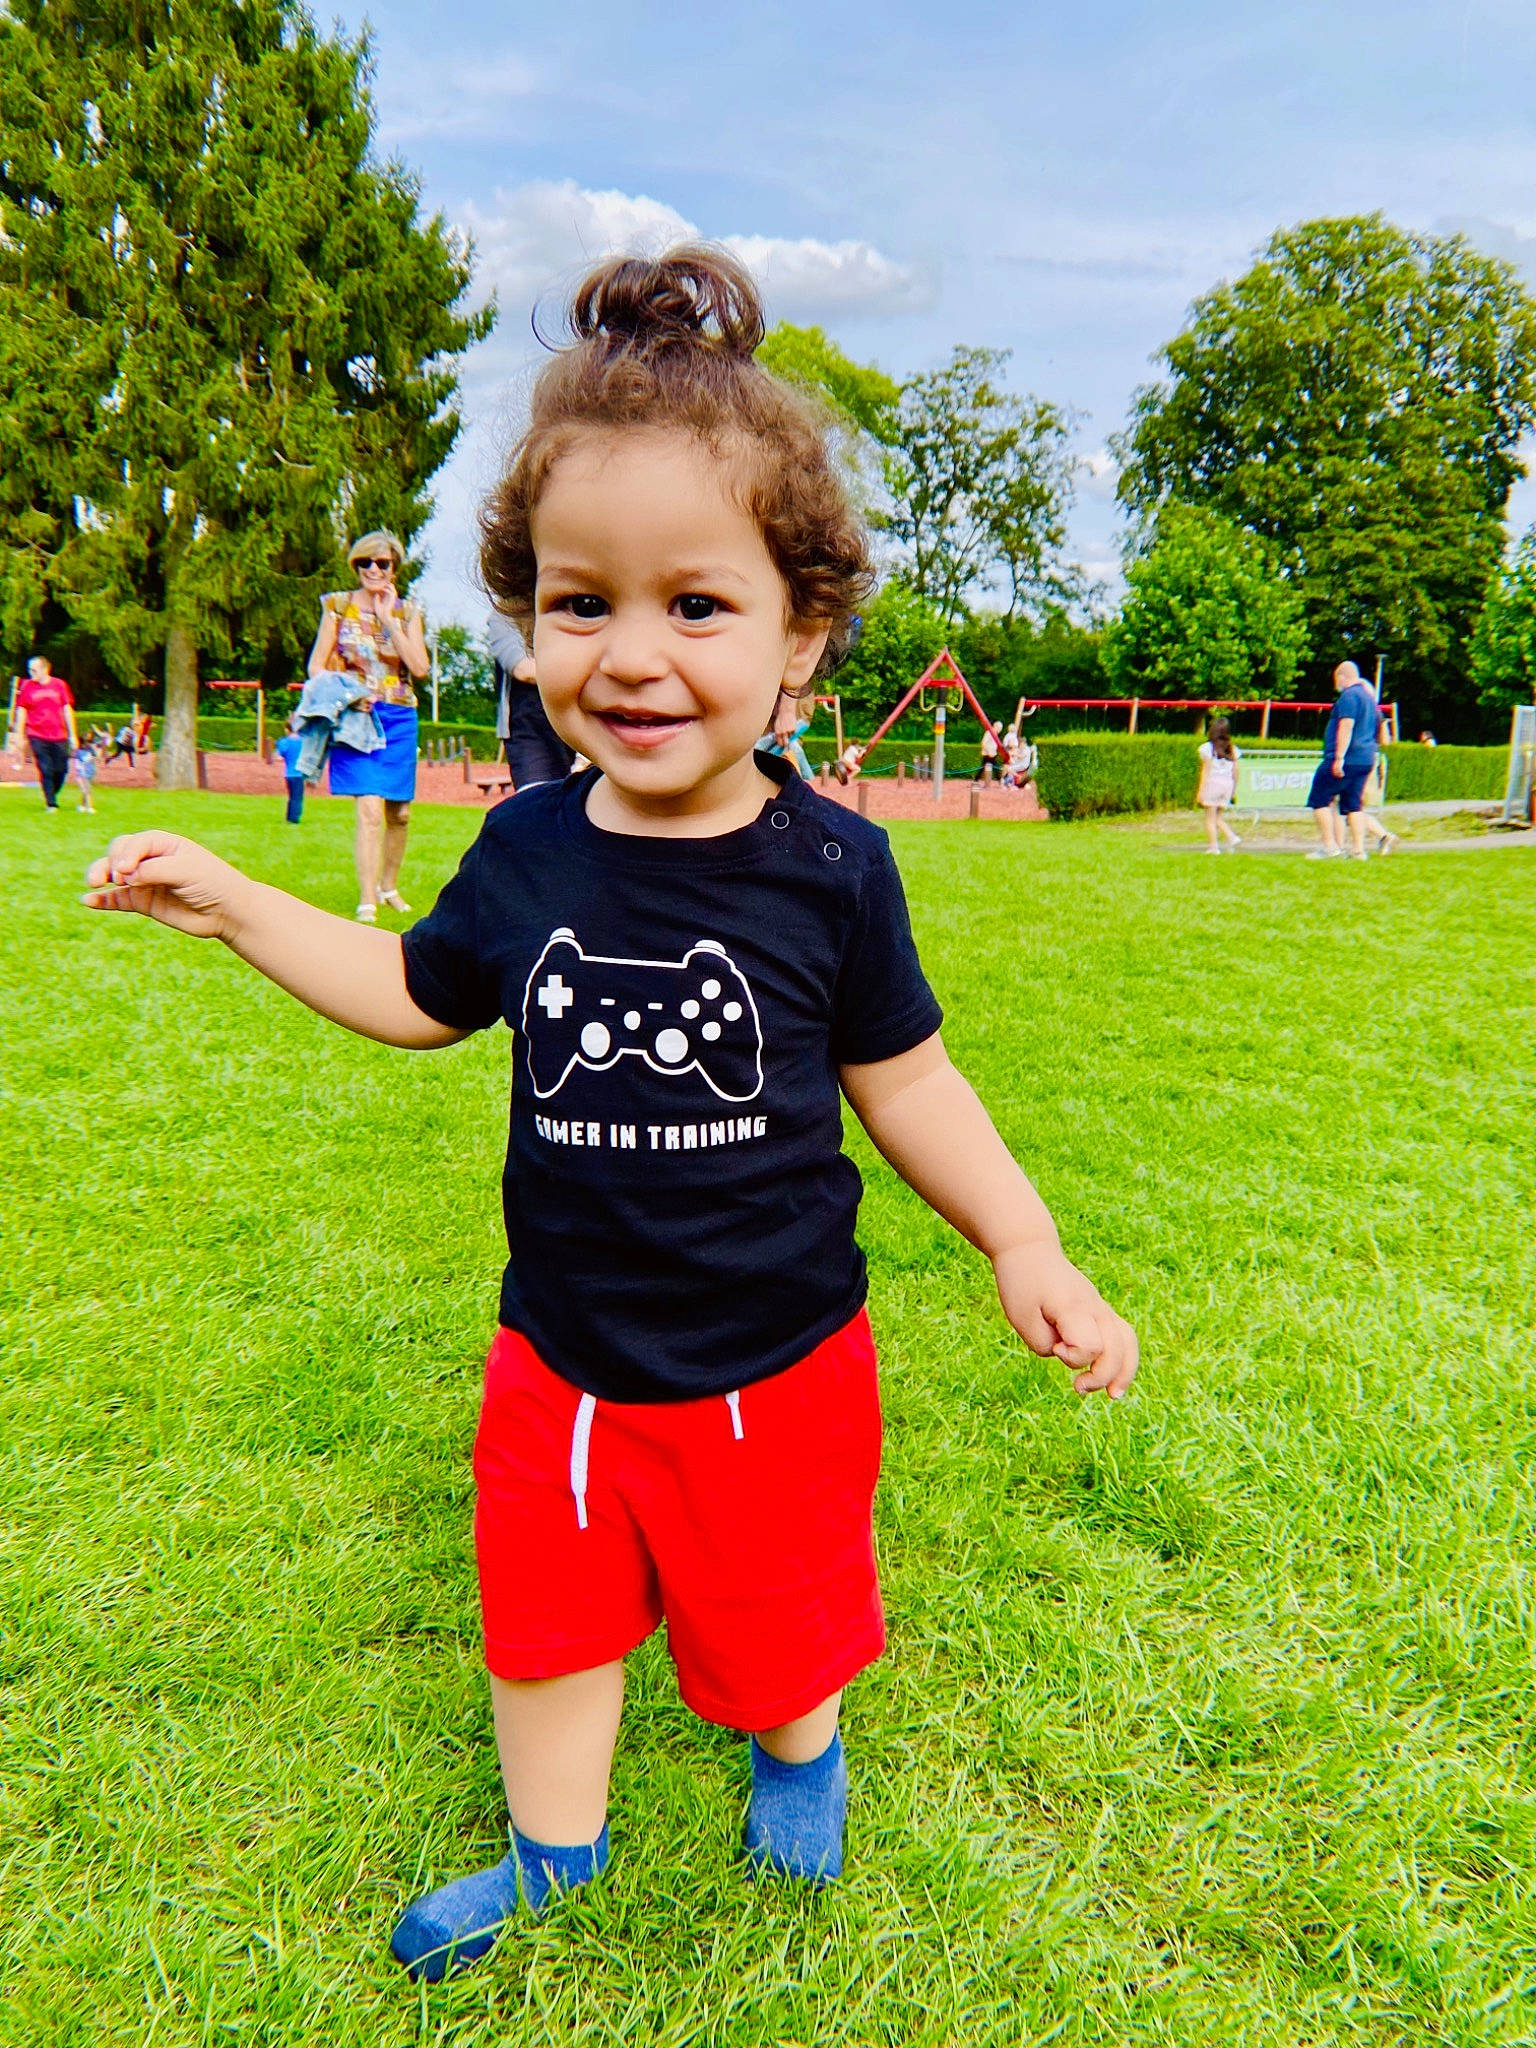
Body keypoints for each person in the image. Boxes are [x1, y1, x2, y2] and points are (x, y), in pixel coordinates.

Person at [84, 245, 1138, 1984]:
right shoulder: (525, 848)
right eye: (583, 604)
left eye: (694, 606)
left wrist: (1022, 1236)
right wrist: (242, 910)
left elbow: (910, 1077)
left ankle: (798, 1748)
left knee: (776, 1627)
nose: (631, 656)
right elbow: (422, 998)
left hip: (778, 1364)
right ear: (527, 621)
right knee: (549, 1627)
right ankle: (551, 1853)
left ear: (803, 631)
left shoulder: (830, 869)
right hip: (560, 1364)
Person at [307, 532, 430, 921]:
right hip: (357, 718)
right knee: (370, 810)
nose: (374, 570)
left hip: (399, 717)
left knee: (400, 814)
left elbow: (421, 668)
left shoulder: (408, 612)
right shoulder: (337, 607)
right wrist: (346, 692)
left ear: (395, 568)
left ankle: (388, 885)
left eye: (383, 563)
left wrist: (387, 620)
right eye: (365, 563)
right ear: (355, 566)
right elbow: (316, 666)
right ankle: (367, 898)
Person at [488, 609, 575, 790]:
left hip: (573, 726)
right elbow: (523, 669)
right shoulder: (504, 617)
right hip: (529, 733)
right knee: (537, 803)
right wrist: (575, 675)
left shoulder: (570, 613)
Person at [1306, 660, 1383, 860]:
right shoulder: (1369, 699)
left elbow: (1346, 726)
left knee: (1319, 799)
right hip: (1365, 759)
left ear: (1342, 676)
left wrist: (1338, 757)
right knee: (1354, 805)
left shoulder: (1348, 696)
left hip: (1345, 758)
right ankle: (1359, 850)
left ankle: (1330, 847)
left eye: (1337, 680)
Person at [8, 656, 78, 810]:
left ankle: (52, 791)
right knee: (45, 768)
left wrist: (73, 734)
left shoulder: (59, 685)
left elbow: (67, 709)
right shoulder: (27, 686)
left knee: (60, 769)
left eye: (34, 670)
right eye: (29, 670)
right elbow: (22, 711)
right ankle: (51, 803)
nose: (31, 673)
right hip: (37, 734)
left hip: (59, 735)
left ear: (45, 669)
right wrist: (19, 735)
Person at [1195, 718, 1242, 853]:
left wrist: (1200, 791)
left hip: (1213, 784)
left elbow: (1206, 771)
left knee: (1210, 818)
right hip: (1227, 785)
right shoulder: (1233, 749)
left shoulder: (1207, 748)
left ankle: (1213, 847)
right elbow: (1236, 771)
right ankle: (1231, 837)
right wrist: (1234, 789)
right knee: (1218, 817)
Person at [273, 718, 305, 825]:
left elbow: (277, 756)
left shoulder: (283, 741)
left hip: (288, 773)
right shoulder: (304, 741)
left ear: (288, 729)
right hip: (299, 773)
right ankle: (294, 818)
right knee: (297, 797)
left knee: (291, 796)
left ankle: (289, 816)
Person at [69, 737, 99, 814]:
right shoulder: (79, 752)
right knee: (87, 790)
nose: (89, 744)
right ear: (82, 743)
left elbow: (97, 757)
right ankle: (90, 807)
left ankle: (81, 806)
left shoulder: (91, 750)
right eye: (88, 742)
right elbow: (83, 760)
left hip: (89, 773)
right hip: (82, 774)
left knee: (86, 791)